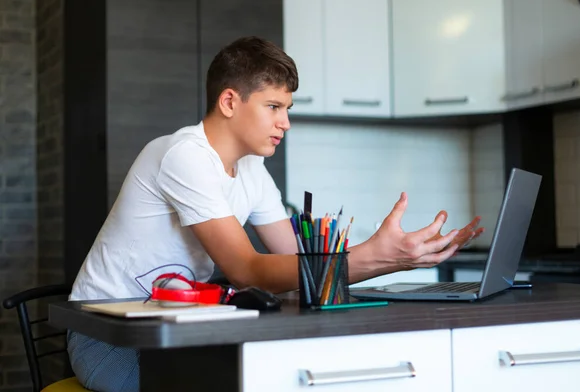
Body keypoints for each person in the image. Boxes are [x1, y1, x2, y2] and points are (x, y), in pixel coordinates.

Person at [67, 36, 484, 392]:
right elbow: (246, 269)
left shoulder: (252, 169)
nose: (285, 122)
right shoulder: (182, 156)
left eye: (287, 108)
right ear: (230, 101)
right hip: (109, 337)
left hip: (174, 329)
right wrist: (377, 256)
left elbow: (299, 269)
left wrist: (393, 258)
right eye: (273, 107)